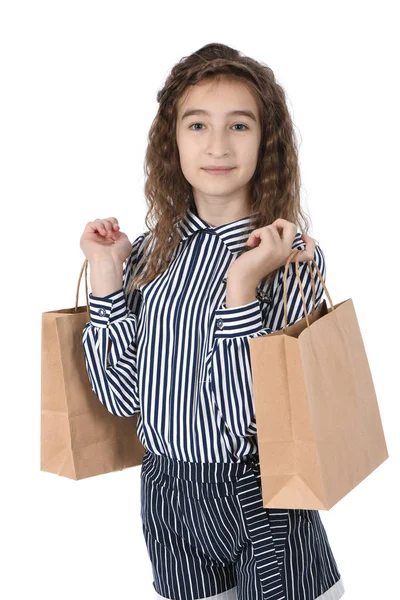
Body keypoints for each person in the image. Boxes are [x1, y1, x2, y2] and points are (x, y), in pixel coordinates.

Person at [79, 42, 345, 600]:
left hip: (258, 493)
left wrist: (241, 285)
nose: (217, 145)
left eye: (239, 126)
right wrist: (106, 272)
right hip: (167, 494)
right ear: (171, 139)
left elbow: (251, 414)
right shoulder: (153, 252)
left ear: (265, 140)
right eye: (197, 124)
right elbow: (122, 397)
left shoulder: (289, 256)